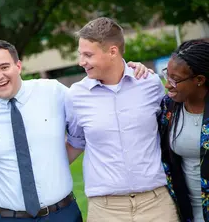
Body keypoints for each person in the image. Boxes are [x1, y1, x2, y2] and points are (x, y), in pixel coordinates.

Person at [0, 39, 150, 221]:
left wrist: (127, 71)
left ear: (18, 66)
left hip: (63, 213)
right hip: (9, 217)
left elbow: (96, 99)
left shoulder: (53, 92)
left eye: (4, 67)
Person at [65, 17, 178, 221]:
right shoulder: (76, 96)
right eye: (80, 54)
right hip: (105, 209)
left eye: (88, 55)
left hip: (156, 204)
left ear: (113, 51)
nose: (81, 62)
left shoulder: (150, 83)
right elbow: (75, 142)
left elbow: (169, 130)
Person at [158, 40, 209, 222]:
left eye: (175, 80)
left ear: (199, 80)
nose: (168, 85)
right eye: (166, 75)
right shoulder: (169, 108)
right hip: (188, 211)